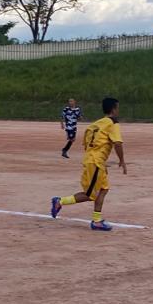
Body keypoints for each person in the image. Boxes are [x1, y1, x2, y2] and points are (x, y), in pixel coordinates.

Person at [51, 97, 127, 231]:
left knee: (104, 189)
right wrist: (122, 160)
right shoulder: (113, 123)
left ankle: (97, 219)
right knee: (91, 195)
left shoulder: (96, 124)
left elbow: (86, 143)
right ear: (114, 109)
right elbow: (118, 143)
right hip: (95, 162)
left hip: (94, 160)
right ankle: (60, 202)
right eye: (118, 108)